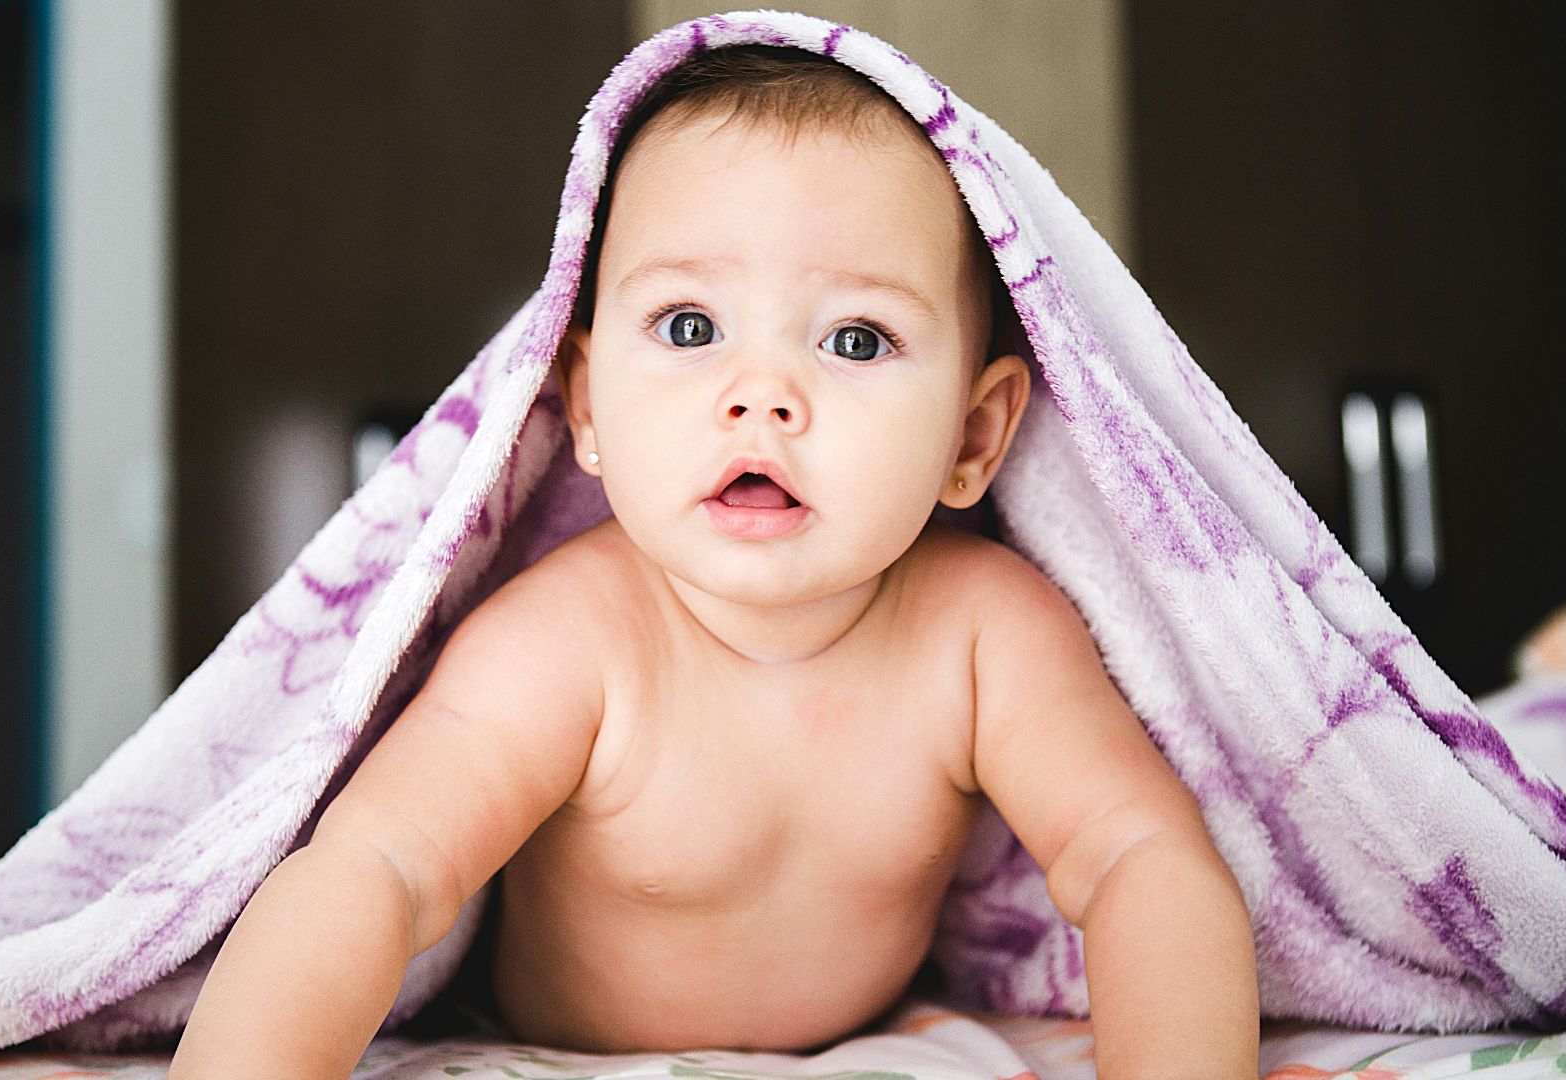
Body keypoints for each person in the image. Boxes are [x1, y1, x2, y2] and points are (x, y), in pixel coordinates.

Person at [168, 44, 1259, 1080]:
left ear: (973, 438)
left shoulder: (986, 636)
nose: (762, 396)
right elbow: (379, 870)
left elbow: (1140, 858)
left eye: (855, 339)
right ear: (586, 407)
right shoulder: (568, 643)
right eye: (690, 326)